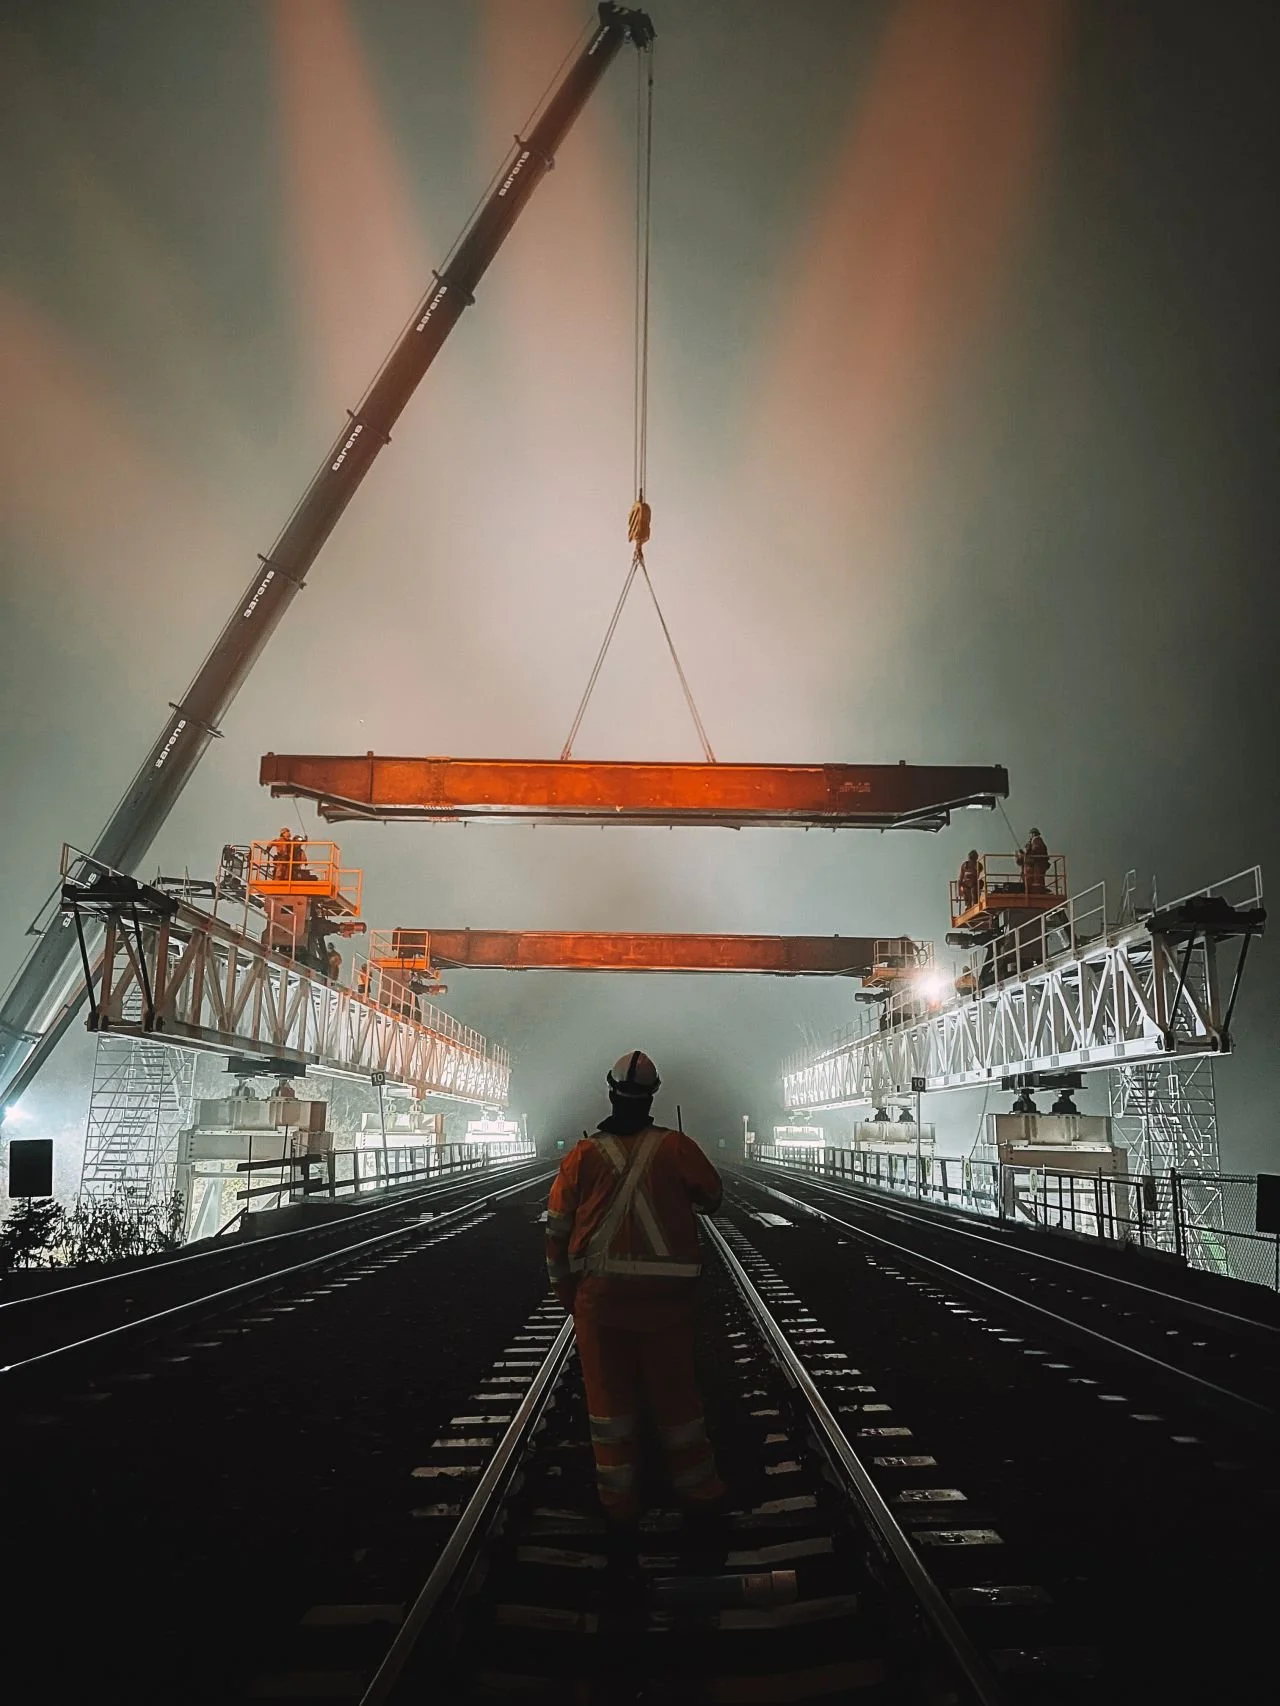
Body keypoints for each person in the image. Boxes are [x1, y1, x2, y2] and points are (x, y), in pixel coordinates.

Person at [545, 1051, 725, 1530]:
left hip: (599, 1305)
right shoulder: (676, 1148)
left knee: (610, 1408)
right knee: (677, 1403)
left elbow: (557, 1232)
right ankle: (698, 1493)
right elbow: (713, 1197)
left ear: (610, 1091)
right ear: (652, 1097)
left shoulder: (583, 1155)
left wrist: (570, 1297)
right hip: (666, 1306)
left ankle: (619, 1504)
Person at [1021, 827, 1049, 894]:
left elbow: (1036, 850)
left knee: (1036, 879)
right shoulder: (1033, 841)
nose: (1029, 835)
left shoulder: (1037, 840)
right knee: (1035, 878)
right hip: (1037, 864)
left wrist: (1027, 852)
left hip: (1037, 864)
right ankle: (1034, 888)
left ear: (1033, 834)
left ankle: (1035, 888)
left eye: (1030, 834)